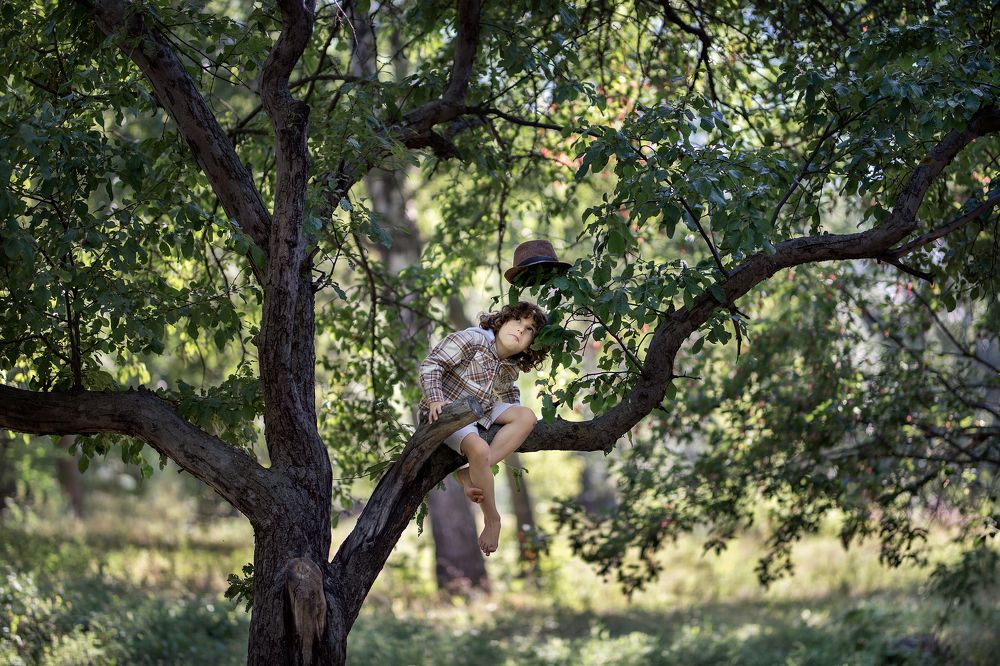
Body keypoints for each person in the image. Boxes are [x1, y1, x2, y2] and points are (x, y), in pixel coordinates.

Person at [419, 301, 548, 556]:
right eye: (518, 321)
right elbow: (432, 364)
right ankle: (492, 519)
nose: (521, 330)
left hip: (479, 411)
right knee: (478, 447)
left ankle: (470, 473)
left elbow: (507, 391)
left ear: (531, 344)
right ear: (502, 321)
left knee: (526, 417)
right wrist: (435, 398)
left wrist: (512, 417)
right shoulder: (473, 340)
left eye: (530, 329)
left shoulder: (509, 365)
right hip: (446, 411)